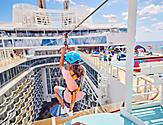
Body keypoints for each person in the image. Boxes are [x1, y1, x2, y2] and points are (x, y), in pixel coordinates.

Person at [54, 47, 86, 114]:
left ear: (68, 63)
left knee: (55, 89)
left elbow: (61, 65)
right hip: (80, 95)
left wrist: (63, 54)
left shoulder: (66, 72)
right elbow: (75, 65)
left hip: (69, 97)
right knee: (72, 92)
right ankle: (70, 108)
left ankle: (62, 104)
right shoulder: (83, 69)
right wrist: (72, 54)